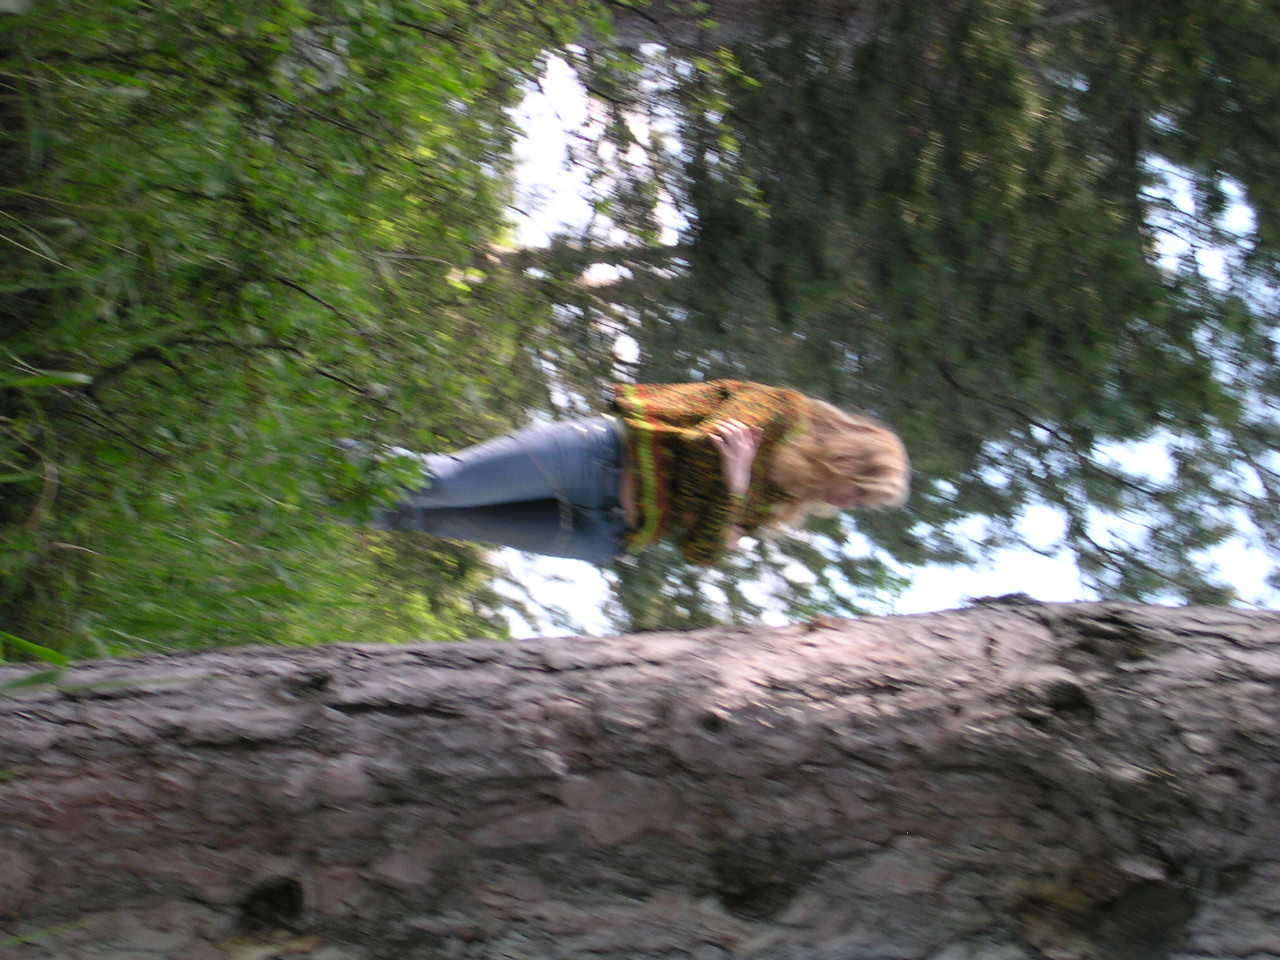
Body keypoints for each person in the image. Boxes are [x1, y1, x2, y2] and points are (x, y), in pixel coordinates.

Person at [357, 379, 909, 566]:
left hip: (605, 534)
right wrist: (725, 508)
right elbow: (703, 444)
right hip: (596, 458)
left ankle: (312, 505)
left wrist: (735, 485)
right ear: (852, 461)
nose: (851, 506)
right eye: (861, 494)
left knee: (427, 519)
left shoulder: (779, 507)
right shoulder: (784, 412)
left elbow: (699, 552)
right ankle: (311, 459)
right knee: (437, 482)